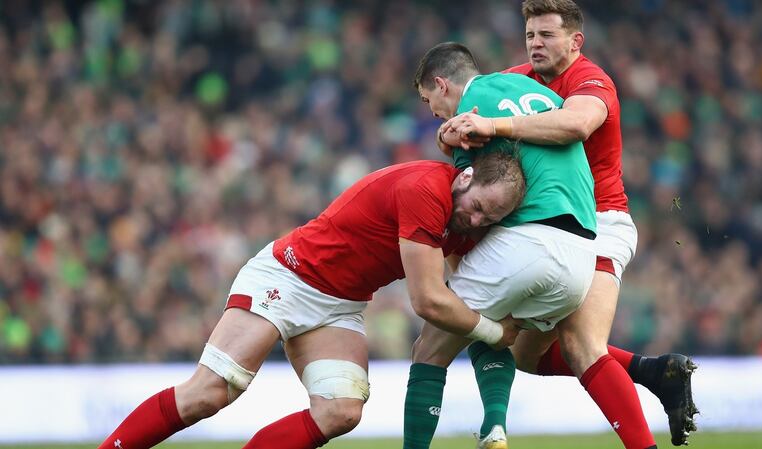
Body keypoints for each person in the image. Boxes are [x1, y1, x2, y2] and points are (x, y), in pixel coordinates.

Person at [96, 152, 527, 449]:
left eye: (489, 219)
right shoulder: (426, 191)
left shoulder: (461, 218)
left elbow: (458, 285)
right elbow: (429, 302)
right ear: (466, 177)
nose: (476, 221)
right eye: (478, 208)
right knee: (209, 394)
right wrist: (493, 331)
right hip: (288, 277)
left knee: (341, 412)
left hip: (340, 306)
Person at [438, 0, 698, 447]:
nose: (536, 44)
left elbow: (576, 124)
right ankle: (655, 372)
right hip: (546, 226)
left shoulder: (590, 80)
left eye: (547, 35)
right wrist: (450, 136)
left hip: (600, 221)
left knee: (581, 347)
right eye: (530, 36)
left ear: (576, 41)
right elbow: (472, 133)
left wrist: (495, 126)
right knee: (522, 354)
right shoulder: (515, 80)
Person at [403, 42, 603, 449]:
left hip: (530, 241)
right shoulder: (534, 90)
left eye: (429, 101)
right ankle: (494, 425)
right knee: (486, 328)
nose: (434, 113)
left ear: (442, 85)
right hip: (582, 257)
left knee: (430, 347)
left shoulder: (470, 112)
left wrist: (448, 142)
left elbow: (467, 197)